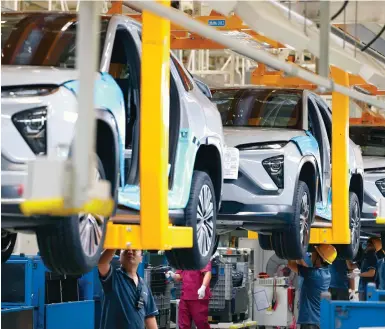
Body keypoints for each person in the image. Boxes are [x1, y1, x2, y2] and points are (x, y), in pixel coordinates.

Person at [98, 249, 159, 329]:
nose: (130, 251)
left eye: (135, 248)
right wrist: (116, 241)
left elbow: (149, 317)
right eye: (125, 248)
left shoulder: (144, 286)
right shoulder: (112, 278)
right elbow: (102, 263)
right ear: (119, 257)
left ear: (141, 258)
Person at [288, 244, 337, 329]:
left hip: (310, 322)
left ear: (319, 258)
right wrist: (299, 255)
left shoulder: (313, 274)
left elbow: (291, 265)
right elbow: (306, 268)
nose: (312, 254)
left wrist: (291, 248)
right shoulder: (326, 273)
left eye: (314, 252)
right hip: (317, 320)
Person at [167, 261, 212, 329]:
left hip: (198, 298)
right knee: (183, 324)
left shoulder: (201, 258)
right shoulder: (185, 260)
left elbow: (208, 273)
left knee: (201, 323)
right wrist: (173, 275)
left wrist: (203, 287)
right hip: (185, 297)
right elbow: (180, 276)